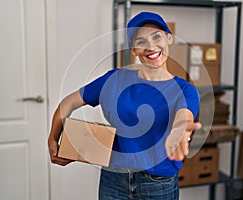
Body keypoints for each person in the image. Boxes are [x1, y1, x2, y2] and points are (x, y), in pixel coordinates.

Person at [48, 11, 201, 200]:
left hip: (157, 184)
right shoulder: (114, 79)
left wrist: (179, 133)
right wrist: (53, 139)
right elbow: (69, 102)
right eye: (141, 41)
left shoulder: (184, 90)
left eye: (156, 37)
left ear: (169, 38)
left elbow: (183, 118)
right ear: (133, 49)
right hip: (113, 179)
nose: (151, 46)